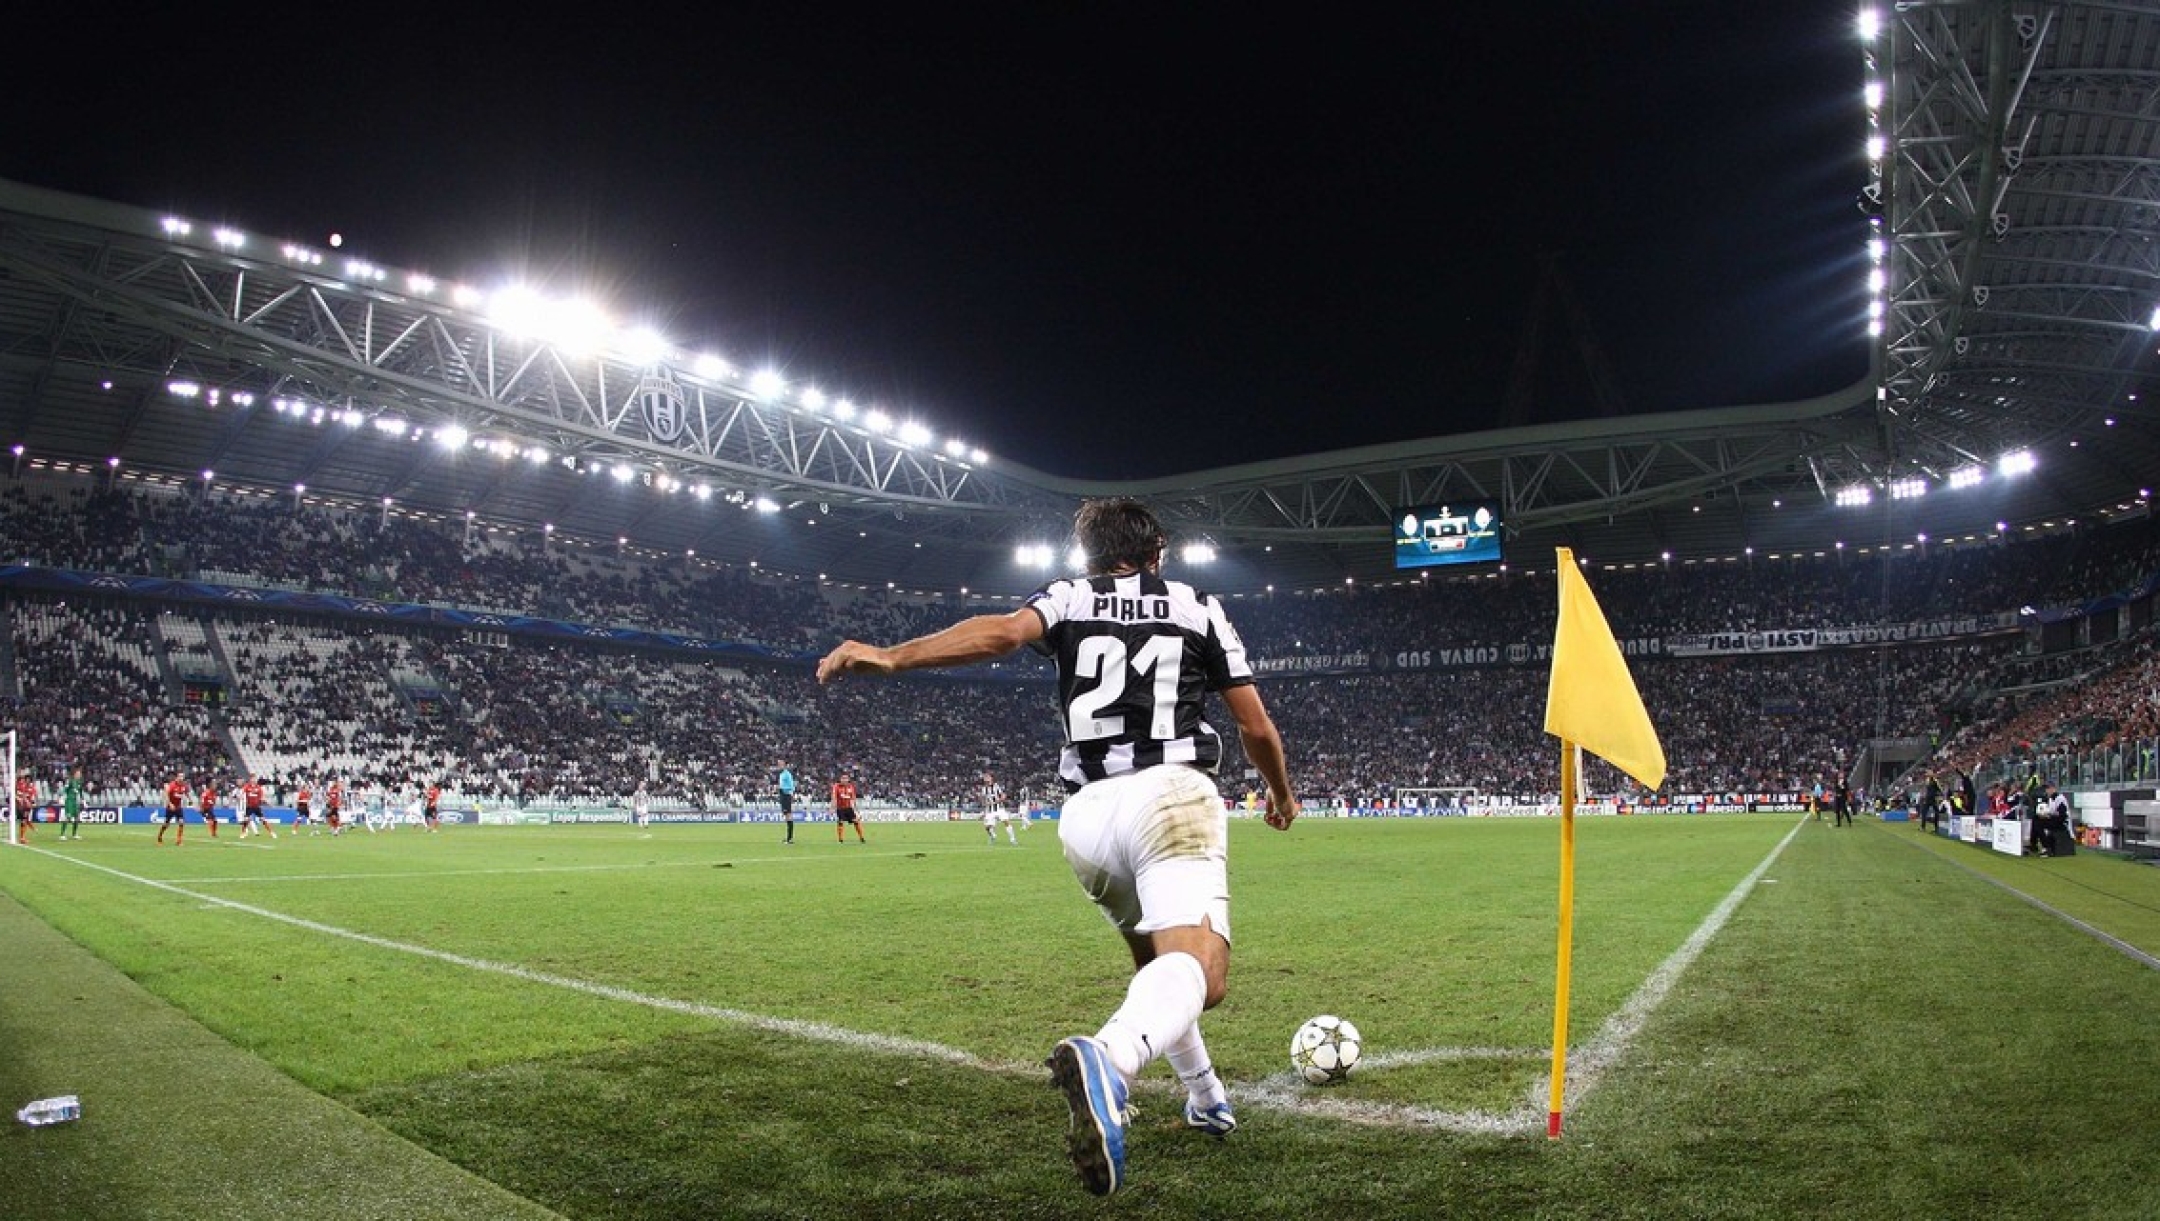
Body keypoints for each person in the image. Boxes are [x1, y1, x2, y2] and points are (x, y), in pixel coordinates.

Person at [817, 496, 1299, 1197]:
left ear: (1090, 556)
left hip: (1085, 818)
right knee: (1203, 973)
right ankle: (1110, 1058)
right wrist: (1281, 795)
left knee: (1158, 973)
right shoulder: (1196, 605)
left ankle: (1207, 1096)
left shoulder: (1068, 596)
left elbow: (1002, 633)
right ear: (1156, 552)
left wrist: (892, 657)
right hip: (1171, 794)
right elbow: (1253, 725)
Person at [980, 771, 1017, 845]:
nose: (986, 778)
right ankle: (993, 836)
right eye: (985, 777)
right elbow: (983, 800)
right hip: (990, 810)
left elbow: (1003, 796)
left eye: (987, 777)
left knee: (1006, 822)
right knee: (987, 827)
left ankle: (1013, 839)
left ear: (991, 778)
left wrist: (998, 800)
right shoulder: (984, 789)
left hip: (999, 808)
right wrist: (984, 807)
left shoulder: (996, 786)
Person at [831, 771, 866, 843]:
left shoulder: (850, 787)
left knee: (856, 822)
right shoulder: (836, 786)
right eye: (843, 778)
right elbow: (834, 797)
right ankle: (840, 839)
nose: (844, 780)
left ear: (848, 779)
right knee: (840, 822)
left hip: (849, 808)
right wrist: (832, 808)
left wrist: (857, 809)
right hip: (840, 808)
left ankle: (861, 837)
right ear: (840, 779)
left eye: (846, 778)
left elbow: (853, 799)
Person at [239, 774, 275, 838]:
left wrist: (268, 804)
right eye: (252, 778)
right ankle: (243, 833)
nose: (253, 780)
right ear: (250, 779)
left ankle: (271, 832)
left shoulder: (258, 788)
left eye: (254, 779)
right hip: (249, 806)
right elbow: (242, 792)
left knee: (263, 820)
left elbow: (262, 798)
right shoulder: (247, 786)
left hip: (256, 807)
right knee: (246, 820)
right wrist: (241, 796)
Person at [158, 771, 189, 845]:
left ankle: (179, 841)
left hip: (178, 807)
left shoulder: (184, 786)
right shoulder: (172, 785)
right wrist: (170, 804)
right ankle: (160, 836)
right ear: (177, 777)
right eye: (180, 776)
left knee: (181, 822)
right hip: (170, 807)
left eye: (182, 777)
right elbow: (166, 794)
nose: (181, 778)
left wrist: (190, 800)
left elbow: (186, 793)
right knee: (166, 824)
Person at [59, 765, 85, 840]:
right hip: (69, 801)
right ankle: (62, 835)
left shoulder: (79, 782)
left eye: (80, 774)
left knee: (77, 818)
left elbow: (80, 792)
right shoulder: (70, 780)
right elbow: (65, 789)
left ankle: (74, 834)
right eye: (78, 774)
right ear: (75, 774)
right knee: (68, 817)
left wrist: (83, 801)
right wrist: (62, 797)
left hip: (75, 802)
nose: (79, 775)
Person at [13, 769, 36, 843]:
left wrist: (32, 803)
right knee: (24, 820)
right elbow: (18, 794)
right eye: (26, 779)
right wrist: (22, 800)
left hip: (27, 807)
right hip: (21, 806)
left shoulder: (32, 788)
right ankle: (22, 838)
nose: (27, 780)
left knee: (24, 820)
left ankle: (22, 837)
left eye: (29, 779)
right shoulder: (20, 785)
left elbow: (32, 798)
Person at [777, 762, 797, 845]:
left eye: (780, 764)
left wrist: (788, 792)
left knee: (788, 815)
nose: (779, 766)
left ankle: (790, 838)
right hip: (783, 795)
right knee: (786, 816)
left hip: (786, 795)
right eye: (778, 764)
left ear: (784, 766)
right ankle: (789, 837)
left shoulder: (787, 774)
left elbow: (792, 786)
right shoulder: (781, 774)